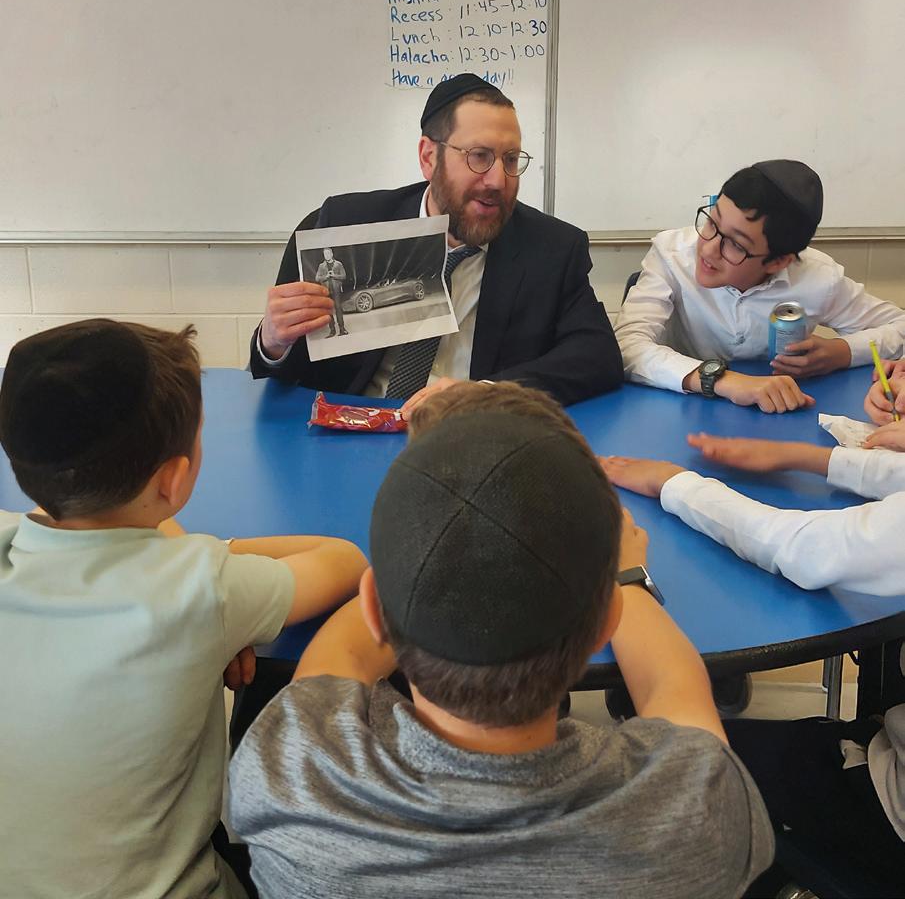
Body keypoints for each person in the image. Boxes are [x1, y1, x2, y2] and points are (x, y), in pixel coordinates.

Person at [229, 383, 773, 899]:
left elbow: (339, 656)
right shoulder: (697, 813)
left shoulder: (293, 769)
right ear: (608, 620)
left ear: (376, 609)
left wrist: (426, 566)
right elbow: (673, 690)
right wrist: (626, 578)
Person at [0, 319, 367, 899]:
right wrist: (206, 565)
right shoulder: (202, 589)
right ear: (173, 480)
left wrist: (190, 568)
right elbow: (343, 561)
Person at [601, 419, 905, 896]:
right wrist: (806, 458)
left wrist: (672, 483)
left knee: (659, 772)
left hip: (889, 818)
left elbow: (803, 549)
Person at [250, 73, 623, 407]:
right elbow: (281, 373)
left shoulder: (552, 249)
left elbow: (596, 356)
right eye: (479, 156)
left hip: (467, 436)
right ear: (429, 157)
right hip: (353, 431)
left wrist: (487, 393)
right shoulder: (343, 227)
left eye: (510, 160)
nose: (498, 180)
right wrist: (273, 341)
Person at [615, 159, 905, 413]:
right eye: (712, 222)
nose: (709, 249)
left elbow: (900, 327)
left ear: (778, 262)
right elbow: (627, 346)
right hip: (676, 409)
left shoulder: (818, 279)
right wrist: (722, 381)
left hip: (779, 414)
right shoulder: (672, 255)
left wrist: (842, 352)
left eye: (736, 244)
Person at [315, 247, 348, 337]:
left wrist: (334, 275)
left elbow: (344, 276)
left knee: (338, 309)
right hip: (326, 291)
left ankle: (342, 329)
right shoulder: (321, 266)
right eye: (325, 254)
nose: (327, 255)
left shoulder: (338, 264)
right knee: (329, 311)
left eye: (328, 253)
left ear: (332, 254)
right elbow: (317, 278)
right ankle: (332, 331)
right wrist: (326, 276)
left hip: (336, 290)